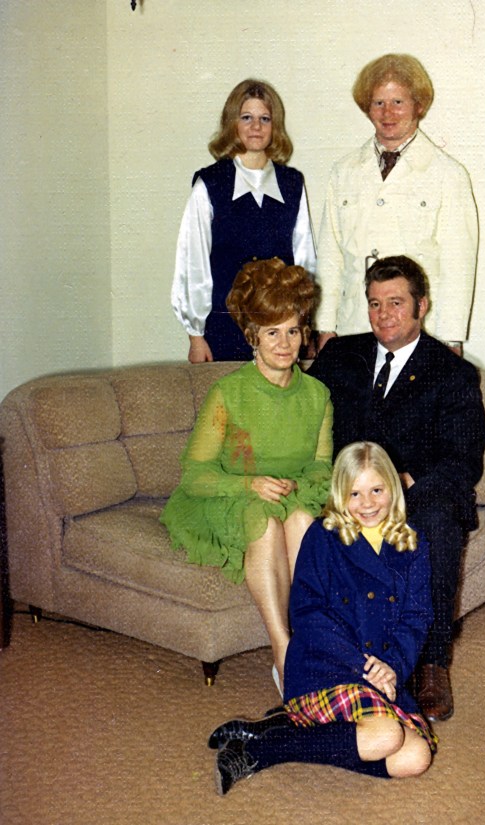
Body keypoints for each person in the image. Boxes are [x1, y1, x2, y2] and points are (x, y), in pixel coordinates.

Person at [308, 255, 485, 722]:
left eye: (395, 302)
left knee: (436, 517)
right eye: (374, 304)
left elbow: (463, 458)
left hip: (418, 493)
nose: (383, 315)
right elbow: (301, 417)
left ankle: (432, 663)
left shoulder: (452, 374)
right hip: (348, 489)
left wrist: (404, 486)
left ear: (421, 306)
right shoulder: (339, 357)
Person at [208, 441, 437, 795]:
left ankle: (289, 732)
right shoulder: (323, 536)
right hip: (326, 667)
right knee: (387, 734)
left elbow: (417, 617)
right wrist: (365, 667)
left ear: (393, 487)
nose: (368, 503)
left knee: (416, 757)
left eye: (377, 490)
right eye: (355, 494)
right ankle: (262, 750)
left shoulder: (413, 545)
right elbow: (309, 614)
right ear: (339, 496)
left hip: (384, 672)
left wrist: (392, 666)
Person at [161, 258, 332, 691]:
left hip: (289, 495)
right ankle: (283, 649)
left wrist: (297, 485)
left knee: (299, 520)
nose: (284, 343)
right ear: (252, 335)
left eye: (292, 330)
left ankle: (311, 638)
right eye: (272, 332)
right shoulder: (227, 392)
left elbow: (321, 467)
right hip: (226, 496)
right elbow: (194, 475)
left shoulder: (317, 395)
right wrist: (249, 484)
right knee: (264, 520)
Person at [315, 54, 478, 356]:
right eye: (378, 103)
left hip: (419, 334)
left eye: (398, 102)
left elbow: (458, 265)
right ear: (367, 108)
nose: (388, 112)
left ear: (419, 105)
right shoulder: (344, 171)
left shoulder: (448, 174)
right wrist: (325, 327)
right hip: (354, 327)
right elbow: (329, 256)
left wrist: (451, 340)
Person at [171, 78, 316, 363]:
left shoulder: (292, 184)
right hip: (224, 329)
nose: (256, 127)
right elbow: (193, 263)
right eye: (246, 117)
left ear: (275, 126)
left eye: (265, 118)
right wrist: (196, 335)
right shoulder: (210, 184)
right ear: (232, 123)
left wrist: (305, 326)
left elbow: (306, 262)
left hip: (281, 330)